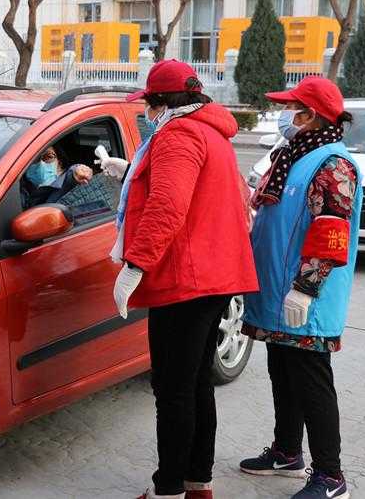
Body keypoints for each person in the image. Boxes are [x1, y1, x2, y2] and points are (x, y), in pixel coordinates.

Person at [101, 59, 258, 499]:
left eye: (149, 104)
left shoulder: (178, 134)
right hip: (215, 276)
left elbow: (168, 206)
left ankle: (168, 488)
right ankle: (197, 483)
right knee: (196, 385)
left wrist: (135, 264)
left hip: (186, 282)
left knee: (172, 390)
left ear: (162, 103)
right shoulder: (213, 132)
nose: (147, 113)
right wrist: (131, 173)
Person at [239, 76, 362, 499]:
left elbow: (331, 231)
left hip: (305, 296)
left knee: (311, 382)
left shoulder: (333, 164)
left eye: (290, 108)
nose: (283, 115)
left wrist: (306, 289)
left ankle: (330, 476)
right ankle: (287, 451)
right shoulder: (292, 155)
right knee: (282, 373)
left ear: (310, 116)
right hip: (276, 292)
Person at [21, 145, 93, 208]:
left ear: (59, 164)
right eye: (33, 160)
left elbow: (69, 178)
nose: (41, 164)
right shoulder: (19, 187)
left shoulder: (64, 187)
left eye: (48, 157)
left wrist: (75, 173)